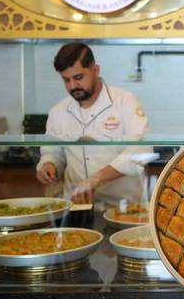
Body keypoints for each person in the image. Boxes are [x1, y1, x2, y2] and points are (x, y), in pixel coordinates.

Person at [36, 42, 152, 209]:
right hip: (76, 208)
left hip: (123, 208)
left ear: (95, 70)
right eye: (66, 80)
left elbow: (140, 150)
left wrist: (96, 179)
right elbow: (53, 153)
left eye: (78, 77)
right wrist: (49, 165)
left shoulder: (125, 101)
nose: (72, 86)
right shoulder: (58, 112)